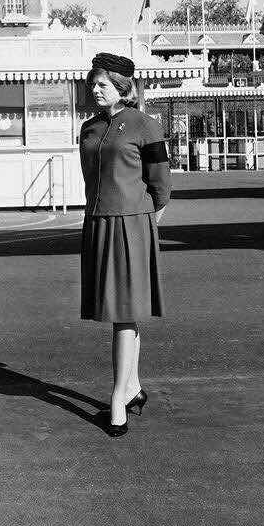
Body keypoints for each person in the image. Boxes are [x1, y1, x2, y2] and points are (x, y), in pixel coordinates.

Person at [79, 52, 171, 437]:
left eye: (102, 84)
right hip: (98, 223)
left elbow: (160, 182)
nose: (95, 90)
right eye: (93, 84)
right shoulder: (88, 128)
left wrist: (145, 220)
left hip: (131, 225)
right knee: (123, 311)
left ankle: (118, 400)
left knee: (122, 312)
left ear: (121, 86)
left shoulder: (146, 125)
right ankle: (132, 387)